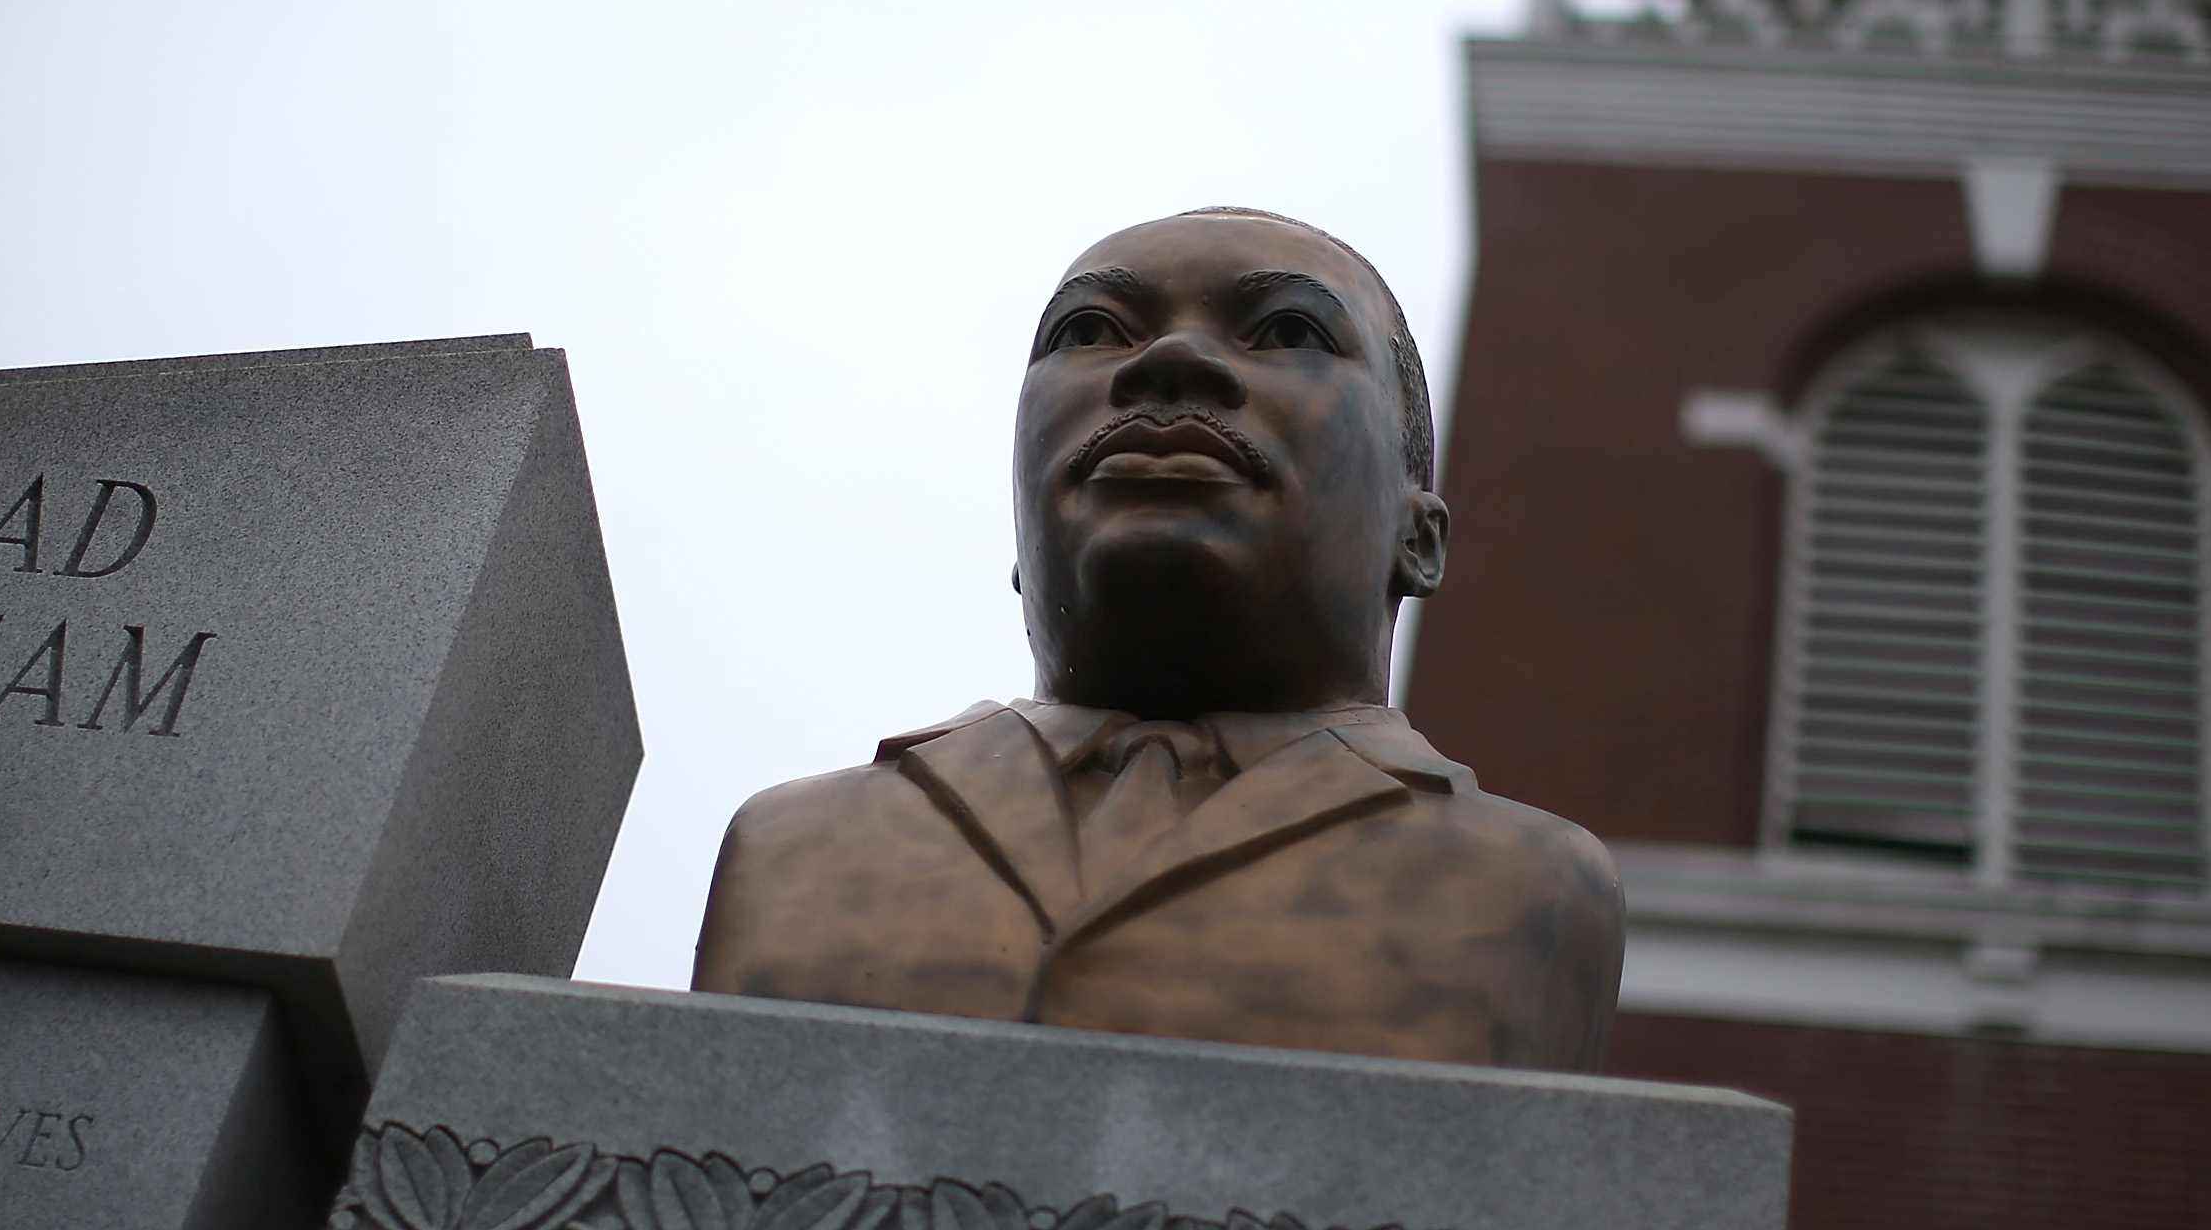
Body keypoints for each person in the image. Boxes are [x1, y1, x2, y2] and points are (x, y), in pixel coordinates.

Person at [690, 208, 1622, 1069]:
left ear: (1417, 538)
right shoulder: (791, 844)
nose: (1168, 361)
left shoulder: (1531, 890)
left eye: (1290, 331)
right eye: (1091, 330)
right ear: (1018, 532)